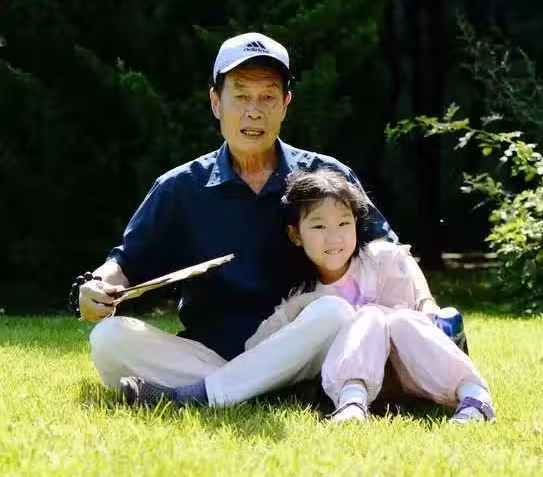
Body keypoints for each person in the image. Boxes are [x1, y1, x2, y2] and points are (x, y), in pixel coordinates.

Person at [72, 32, 395, 407]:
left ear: (285, 104)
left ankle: (199, 395)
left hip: (307, 345)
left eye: (267, 97)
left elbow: (386, 254)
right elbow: (126, 264)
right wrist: (97, 287)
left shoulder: (326, 176)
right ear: (216, 102)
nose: (254, 111)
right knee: (109, 339)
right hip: (210, 354)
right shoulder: (179, 187)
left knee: (334, 312)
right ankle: (264, 389)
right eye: (241, 96)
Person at [135, 168, 493, 421]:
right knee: (361, 319)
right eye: (318, 226)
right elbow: (260, 348)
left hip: (417, 367)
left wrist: (429, 306)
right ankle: (352, 404)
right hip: (368, 385)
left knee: (388, 318)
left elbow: (411, 276)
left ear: (358, 224)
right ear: (296, 235)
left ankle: (475, 397)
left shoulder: (381, 259)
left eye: (344, 224)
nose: (333, 238)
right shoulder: (305, 298)